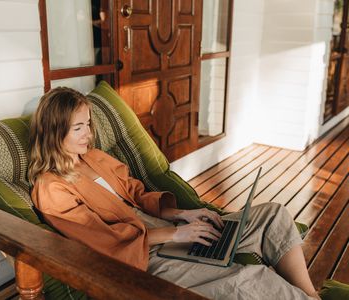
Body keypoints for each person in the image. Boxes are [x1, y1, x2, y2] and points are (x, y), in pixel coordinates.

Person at [28, 87, 321, 300]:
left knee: (272, 215)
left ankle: (311, 295)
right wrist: (175, 236)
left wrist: (185, 215)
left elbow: (139, 196)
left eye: (88, 124)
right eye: (78, 128)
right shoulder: (52, 188)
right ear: (54, 132)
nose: (88, 134)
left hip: (168, 231)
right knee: (244, 279)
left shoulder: (93, 157)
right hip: (144, 257)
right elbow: (105, 242)